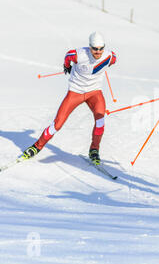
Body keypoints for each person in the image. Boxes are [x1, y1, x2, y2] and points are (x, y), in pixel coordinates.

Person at [20, 32, 117, 165]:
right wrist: (67, 65)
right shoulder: (78, 54)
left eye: (101, 48)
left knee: (100, 121)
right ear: (90, 47)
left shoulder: (110, 56)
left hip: (94, 92)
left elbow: (113, 60)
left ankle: (94, 150)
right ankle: (36, 146)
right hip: (75, 92)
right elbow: (68, 56)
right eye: (95, 48)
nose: (98, 52)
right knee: (57, 124)